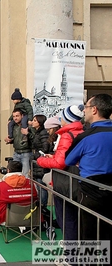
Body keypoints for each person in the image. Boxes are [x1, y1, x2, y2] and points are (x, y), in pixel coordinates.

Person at [65, 94, 112, 241]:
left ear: (94, 110)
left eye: (86, 107)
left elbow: (68, 160)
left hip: (90, 191)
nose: (83, 111)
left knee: (88, 235)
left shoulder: (86, 137)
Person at [36, 104, 84, 241]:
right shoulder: (82, 132)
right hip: (78, 180)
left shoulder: (66, 136)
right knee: (77, 218)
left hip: (65, 182)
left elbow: (60, 163)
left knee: (66, 217)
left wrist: (41, 161)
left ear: (67, 119)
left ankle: (70, 254)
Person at [25, 114, 50, 208]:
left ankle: (43, 206)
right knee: (38, 185)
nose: (32, 122)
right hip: (37, 162)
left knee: (41, 185)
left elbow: (45, 148)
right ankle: (40, 205)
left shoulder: (43, 133)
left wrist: (35, 156)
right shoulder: (36, 132)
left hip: (40, 162)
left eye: (35, 120)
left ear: (40, 122)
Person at [4, 108, 32, 178]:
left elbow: (34, 138)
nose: (15, 118)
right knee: (14, 174)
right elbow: (15, 139)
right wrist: (9, 140)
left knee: (25, 175)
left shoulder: (28, 126)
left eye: (17, 116)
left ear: (22, 116)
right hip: (16, 153)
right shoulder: (13, 127)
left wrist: (27, 133)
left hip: (26, 153)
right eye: (14, 116)